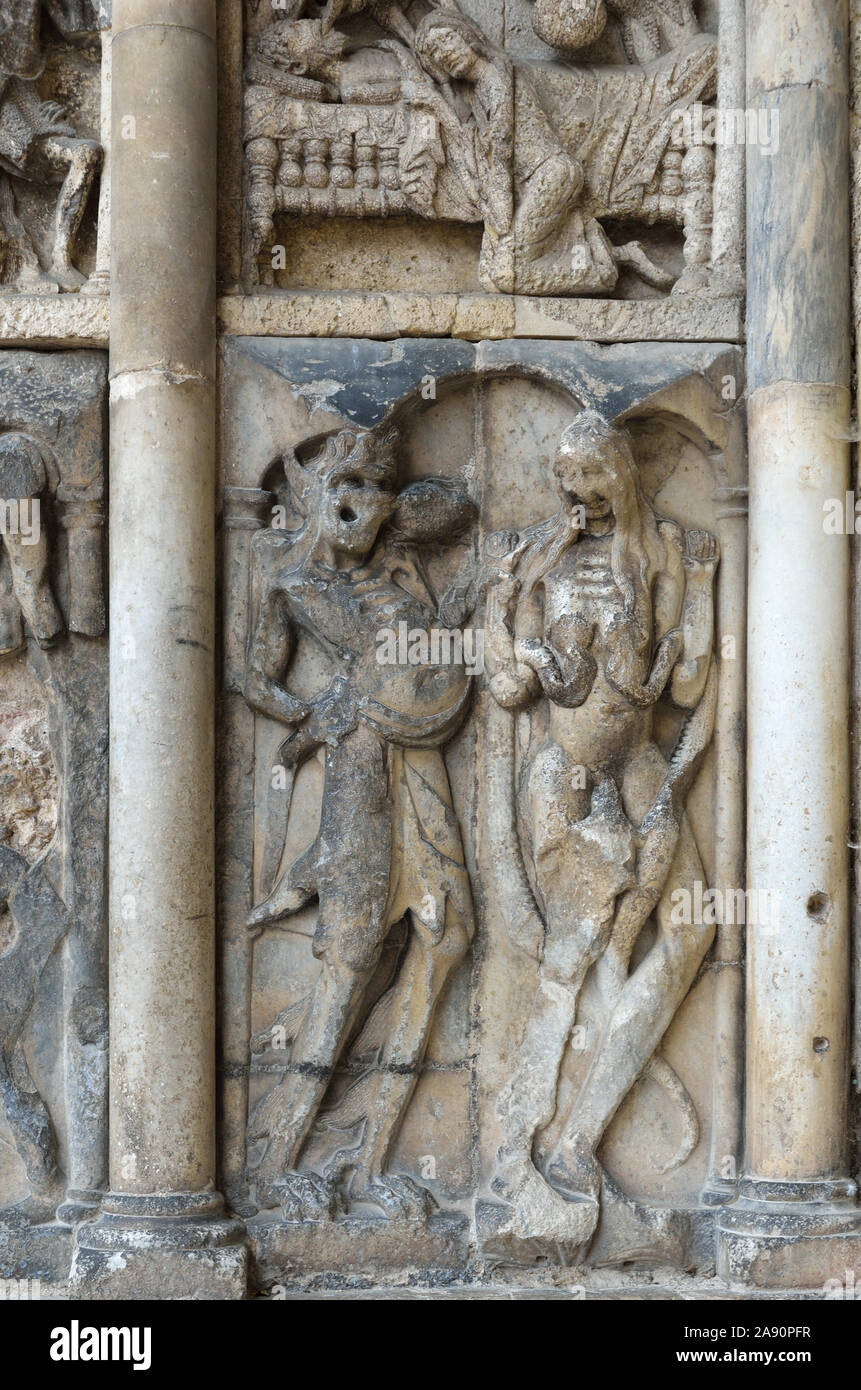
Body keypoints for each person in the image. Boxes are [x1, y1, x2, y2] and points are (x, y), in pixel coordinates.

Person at [243, 422, 476, 1219]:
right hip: (360, 772)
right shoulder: (292, 581)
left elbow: (453, 518)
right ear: (317, 493)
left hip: (419, 760)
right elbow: (255, 677)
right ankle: (277, 1162)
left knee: (447, 938)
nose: (366, 505)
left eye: (380, 489)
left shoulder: (402, 566)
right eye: (349, 488)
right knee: (349, 960)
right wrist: (316, 712)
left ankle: (371, 1158)